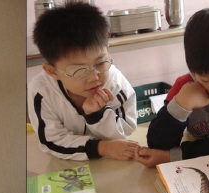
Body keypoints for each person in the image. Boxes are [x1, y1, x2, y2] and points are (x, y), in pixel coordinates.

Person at [136, 8, 209, 167]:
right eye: (205, 79)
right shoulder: (184, 86)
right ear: (193, 71)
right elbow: (157, 145)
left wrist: (172, 156)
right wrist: (181, 104)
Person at [28, 2, 138, 161]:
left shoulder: (115, 82)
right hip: (62, 162)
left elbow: (126, 130)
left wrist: (96, 115)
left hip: (110, 163)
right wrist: (102, 147)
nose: (94, 77)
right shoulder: (41, 91)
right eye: (79, 71)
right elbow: (51, 141)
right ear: (52, 71)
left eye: (101, 63)